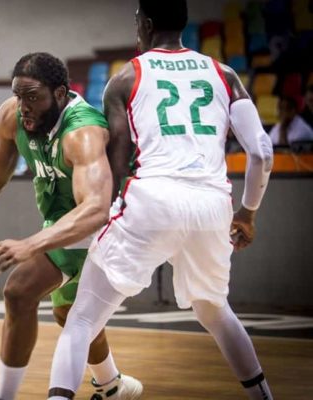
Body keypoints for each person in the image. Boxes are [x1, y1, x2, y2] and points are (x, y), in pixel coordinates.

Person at [48, 1, 274, 399]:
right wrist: (248, 213)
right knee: (214, 310)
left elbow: (115, 168)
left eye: (137, 21)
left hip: (152, 199)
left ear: (146, 24)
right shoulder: (224, 74)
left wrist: (99, 216)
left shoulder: (126, 77)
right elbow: (262, 152)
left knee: (81, 318)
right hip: (212, 205)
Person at [0, 52, 142, 400]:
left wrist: (31, 245)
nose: (23, 106)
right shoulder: (12, 116)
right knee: (68, 313)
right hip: (64, 223)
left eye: (33, 96)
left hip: (106, 222)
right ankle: (112, 386)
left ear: (61, 94)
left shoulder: (82, 131)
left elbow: (95, 209)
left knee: (19, 291)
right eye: (18, 95)